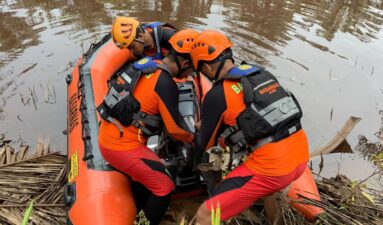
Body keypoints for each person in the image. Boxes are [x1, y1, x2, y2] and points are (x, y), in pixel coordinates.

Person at [190, 30, 310, 224]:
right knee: (268, 192)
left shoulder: (217, 94)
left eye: (201, 70)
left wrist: (193, 161)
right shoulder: (262, 73)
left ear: (207, 68)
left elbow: (205, 143)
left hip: (273, 169)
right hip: (301, 158)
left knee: (205, 213)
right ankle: (275, 222)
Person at [97, 29, 200, 225]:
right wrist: (197, 138)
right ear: (185, 64)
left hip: (110, 136)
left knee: (147, 177)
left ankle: (139, 209)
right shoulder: (165, 83)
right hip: (122, 147)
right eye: (192, 70)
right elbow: (176, 130)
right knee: (165, 185)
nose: (191, 74)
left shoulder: (150, 67)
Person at [111, 16, 177, 59]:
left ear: (140, 35)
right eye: (128, 48)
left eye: (132, 46)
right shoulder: (139, 48)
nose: (131, 51)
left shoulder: (169, 37)